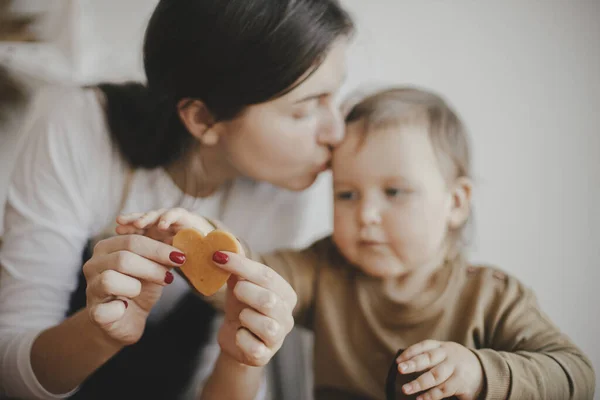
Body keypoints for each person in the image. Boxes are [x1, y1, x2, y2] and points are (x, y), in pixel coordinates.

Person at [120, 87, 596, 400]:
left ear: (456, 202)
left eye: (395, 192)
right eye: (346, 194)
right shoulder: (323, 268)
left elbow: (577, 374)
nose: (365, 214)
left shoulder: (493, 297)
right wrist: (196, 240)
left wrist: (479, 371)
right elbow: (249, 280)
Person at [0, 0, 354, 398]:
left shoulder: (281, 189)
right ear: (202, 119)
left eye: (335, 98)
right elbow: (10, 371)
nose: (337, 133)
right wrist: (99, 333)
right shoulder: (79, 128)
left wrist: (242, 357)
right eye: (306, 110)